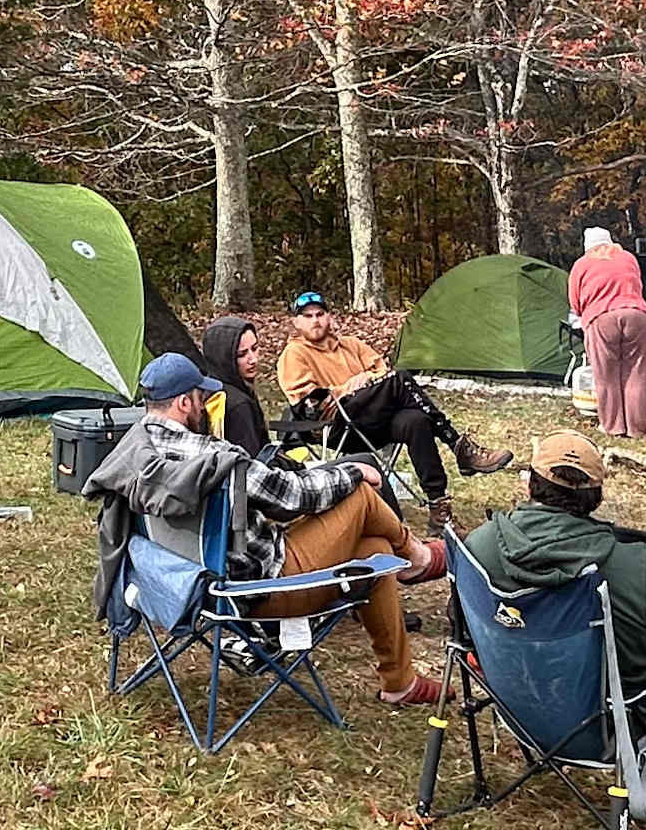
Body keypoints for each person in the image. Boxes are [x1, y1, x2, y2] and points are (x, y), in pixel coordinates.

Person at [87, 351, 448, 706]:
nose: (205, 407)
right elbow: (291, 497)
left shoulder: (133, 451)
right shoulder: (216, 460)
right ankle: (416, 558)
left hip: (179, 584)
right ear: (183, 403)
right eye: (201, 399)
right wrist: (353, 472)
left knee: (375, 552)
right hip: (260, 590)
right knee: (361, 498)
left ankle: (400, 682)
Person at [461, 429, 646, 826]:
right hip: (606, 734)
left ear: (530, 484)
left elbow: (462, 633)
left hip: (516, 710)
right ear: (595, 498)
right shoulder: (629, 567)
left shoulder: (477, 546)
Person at [273, 290, 504, 507]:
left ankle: (438, 505)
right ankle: (457, 445)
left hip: (373, 419)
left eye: (320, 314)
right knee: (401, 379)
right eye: (308, 316)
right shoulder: (294, 354)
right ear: (296, 322)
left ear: (329, 317)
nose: (316, 320)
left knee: (415, 421)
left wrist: (365, 379)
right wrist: (347, 388)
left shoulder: (351, 345)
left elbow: (382, 370)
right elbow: (307, 404)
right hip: (338, 424)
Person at [567, 228, 646, 438]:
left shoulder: (582, 264)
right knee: (637, 373)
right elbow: (638, 285)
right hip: (636, 314)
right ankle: (637, 428)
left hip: (601, 317)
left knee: (605, 375)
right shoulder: (628, 258)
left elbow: (574, 300)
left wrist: (583, 313)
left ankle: (613, 426)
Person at [196, 314, 274, 453]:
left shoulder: (206, 389)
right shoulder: (238, 405)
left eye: (255, 348)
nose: (253, 359)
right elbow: (252, 463)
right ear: (224, 358)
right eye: (242, 354)